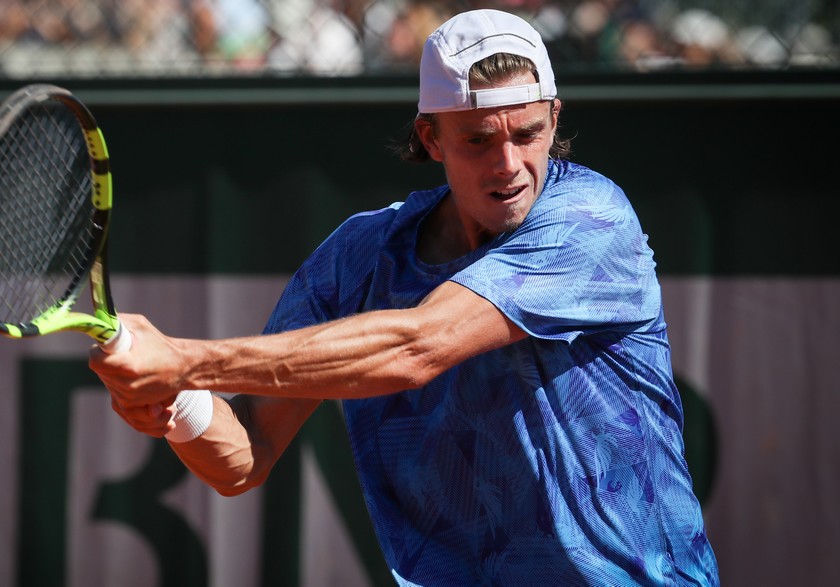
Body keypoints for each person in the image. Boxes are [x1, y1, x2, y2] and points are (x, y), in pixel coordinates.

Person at [90, 8, 719, 586]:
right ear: (431, 136)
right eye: (477, 139)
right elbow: (243, 458)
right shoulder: (356, 258)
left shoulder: (590, 220)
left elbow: (418, 347)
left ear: (555, 118)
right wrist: (180, 404)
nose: (508, 163)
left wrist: (184, 359)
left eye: (528, 133)